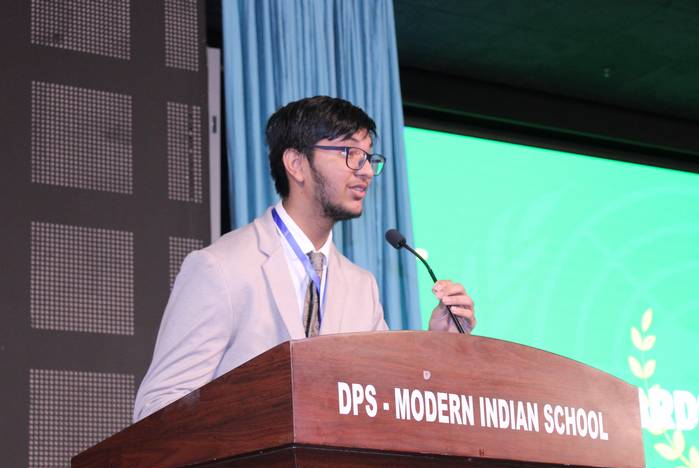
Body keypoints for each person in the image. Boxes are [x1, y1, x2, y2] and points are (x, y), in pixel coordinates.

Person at [133, 96, 475, 421]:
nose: (367, 171)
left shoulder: (361, 286)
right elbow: (158, 407)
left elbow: (382, 399)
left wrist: (438, 345)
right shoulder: (221, 268)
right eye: (350, 153)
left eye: (369, 157)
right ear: (296, 163)